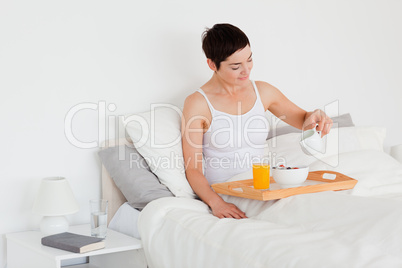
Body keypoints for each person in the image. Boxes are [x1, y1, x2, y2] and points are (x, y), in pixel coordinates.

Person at [181, 23, 333, 219]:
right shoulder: (197, 104)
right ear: (212, 64)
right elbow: (192, 168)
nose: (246, 70)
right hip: (229, 192)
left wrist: (315, 116)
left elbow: (303, 120)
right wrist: (216, 203)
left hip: (263, 186)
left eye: (249, 60)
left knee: (316, 206)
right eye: (236, 66)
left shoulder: (263, 91)